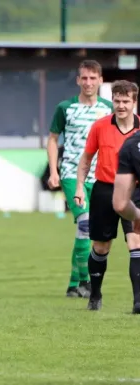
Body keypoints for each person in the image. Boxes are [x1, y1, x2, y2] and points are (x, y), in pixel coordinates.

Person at [47, 60, 113, 298]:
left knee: (89, 232)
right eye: (84, 78)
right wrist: (54, 171)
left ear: (100, 80)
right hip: (71, 174)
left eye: (93, 78)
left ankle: (74, 283)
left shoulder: (108, 109)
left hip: (101, 177)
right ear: (78, 80)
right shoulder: (65, 108)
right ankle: (85, 281)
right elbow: (53, 138)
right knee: (85, 223)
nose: (88, 83)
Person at [85, 80, 140, 313]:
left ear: (134, 103)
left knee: (136, 242)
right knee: (101, 246)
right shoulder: (99, 126)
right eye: (117, 101)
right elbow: (86, 158)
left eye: (126, 101)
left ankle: (138, 301)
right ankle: (95, 293)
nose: (121, 106)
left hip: (135, 190)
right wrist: (80, 186)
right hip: (105, 189)